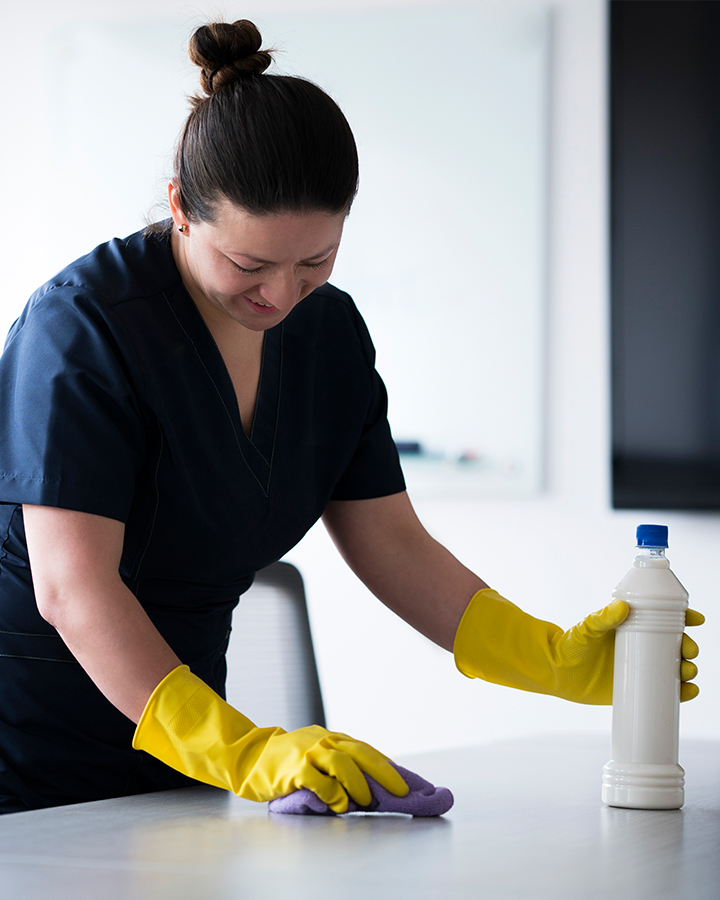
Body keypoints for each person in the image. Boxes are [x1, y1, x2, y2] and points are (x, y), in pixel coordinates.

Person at [0, 20, 702, 815]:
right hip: (29, 764)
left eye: (316, 260)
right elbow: (71, 585)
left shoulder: (328, 335)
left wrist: (546, 657)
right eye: (249, 264)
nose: (280, 294)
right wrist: (241, 747)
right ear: (181, 209)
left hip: (183, 772)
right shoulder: (83, 328)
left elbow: (394, 543)